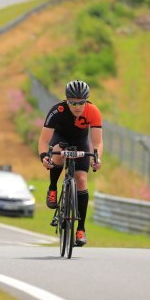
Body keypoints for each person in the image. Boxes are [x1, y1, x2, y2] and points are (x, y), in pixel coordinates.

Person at [38, 79, 103, 246]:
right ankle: (53, 187)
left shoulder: (93, 111)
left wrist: (97, 158)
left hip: (81, 142)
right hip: (61, 138)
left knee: (81, 180)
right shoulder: (57, 110)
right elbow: (44, 140)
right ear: (66, 100)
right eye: (72, 103)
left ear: (86, 101)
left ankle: (80, 229)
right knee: (58, 156)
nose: (77, 107)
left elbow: (97, 142)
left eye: (81, 103)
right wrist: (45, 157)